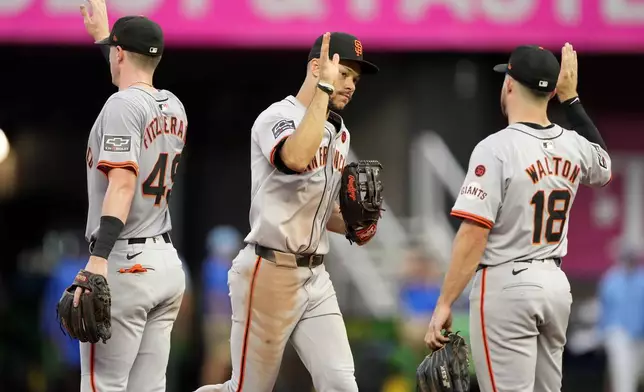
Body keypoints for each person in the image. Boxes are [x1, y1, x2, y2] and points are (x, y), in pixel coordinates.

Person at [194, 32, 380, 392]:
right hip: (269, 272)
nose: (351, 85)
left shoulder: (339, 133)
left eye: (355, 80)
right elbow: (294, 158)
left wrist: (354, 226)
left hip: (315, 277)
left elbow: (323, 212)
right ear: (316, 68)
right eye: (344, 74)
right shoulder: (278, 116)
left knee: (341, 382)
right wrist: (324, 93)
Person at [424, 43, 612, 392]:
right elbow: (603, 167)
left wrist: (445, 302)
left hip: (506, 285)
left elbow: (473, 233)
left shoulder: (496, 147)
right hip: (555, 285)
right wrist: (571, 101)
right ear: (552, 92)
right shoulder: (572, 144)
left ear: (509, 84)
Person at [77, 1, 188, 390]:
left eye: (114, 51)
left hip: (126, 259)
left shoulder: (121, 105)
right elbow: (133, 89)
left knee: (101, 384)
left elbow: (122, 184)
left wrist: (97, 259)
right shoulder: (174, 104)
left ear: (120, 53)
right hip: (165, 264)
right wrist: (104, 40)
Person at [598, 244, 644, 392]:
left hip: (640, 335)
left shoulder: (642, 278)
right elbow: (604, 308)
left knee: (636, 374)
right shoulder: (611, 279)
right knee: (623, 376)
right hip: (618, 333)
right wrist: (601, 334)